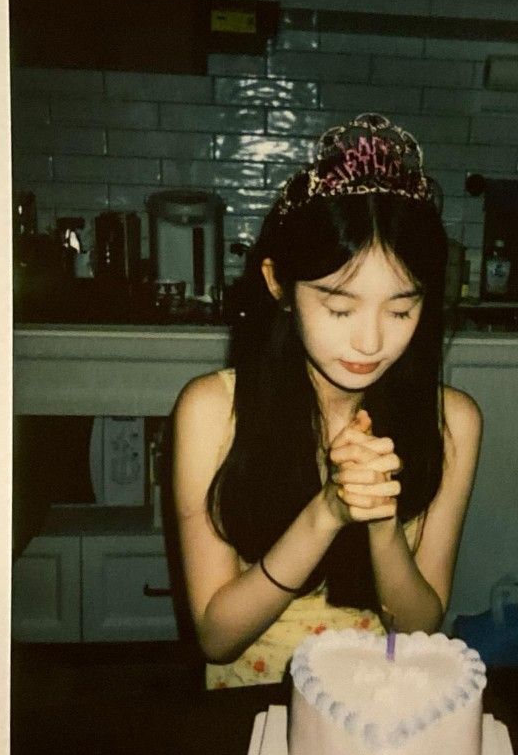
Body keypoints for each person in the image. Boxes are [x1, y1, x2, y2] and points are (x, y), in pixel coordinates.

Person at [172, 113, 482, 689]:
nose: (370, 342)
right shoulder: (211, 410)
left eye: (401, 310)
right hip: (252, 707)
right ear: (276, 283)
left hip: (380, 704)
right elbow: (217, 639)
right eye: (339, 308)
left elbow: (419, 628)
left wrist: (382, 525)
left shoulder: (453, 422)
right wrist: (328, 512)